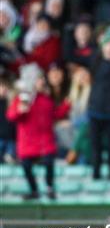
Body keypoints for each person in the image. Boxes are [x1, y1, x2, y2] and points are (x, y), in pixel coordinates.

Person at [7, 63, 69, 199]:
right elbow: (11, 116)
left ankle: (49, 187)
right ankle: (34, 190)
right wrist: (19, 111)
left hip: (44, 141)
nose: (42, 81)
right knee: (26, 166)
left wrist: (66, 106)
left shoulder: (46, 99)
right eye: (39, 79)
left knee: (49, 162)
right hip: (28, 142)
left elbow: (54, 115)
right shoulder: (22, 99)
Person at [87, 28, 110, 180]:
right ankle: (95, 173)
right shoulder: (95, 62)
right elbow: (71, 55)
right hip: (95, 110)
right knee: (95, 146)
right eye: (108, 44)